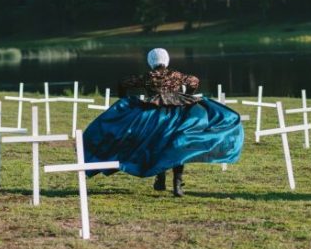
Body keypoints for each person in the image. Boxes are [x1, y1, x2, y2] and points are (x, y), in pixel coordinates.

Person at [82, 48, 244, 196]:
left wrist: (125, 100)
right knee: (178, 147)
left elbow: (124, 83)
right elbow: (194, 80)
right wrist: (187, 95)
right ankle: (177, 185)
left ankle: (161, 180)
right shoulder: (176, 75)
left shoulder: (148, 77)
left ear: (151, 61)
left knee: (159, 144)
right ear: (166, 60)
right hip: (179, 113)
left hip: (156, 114)